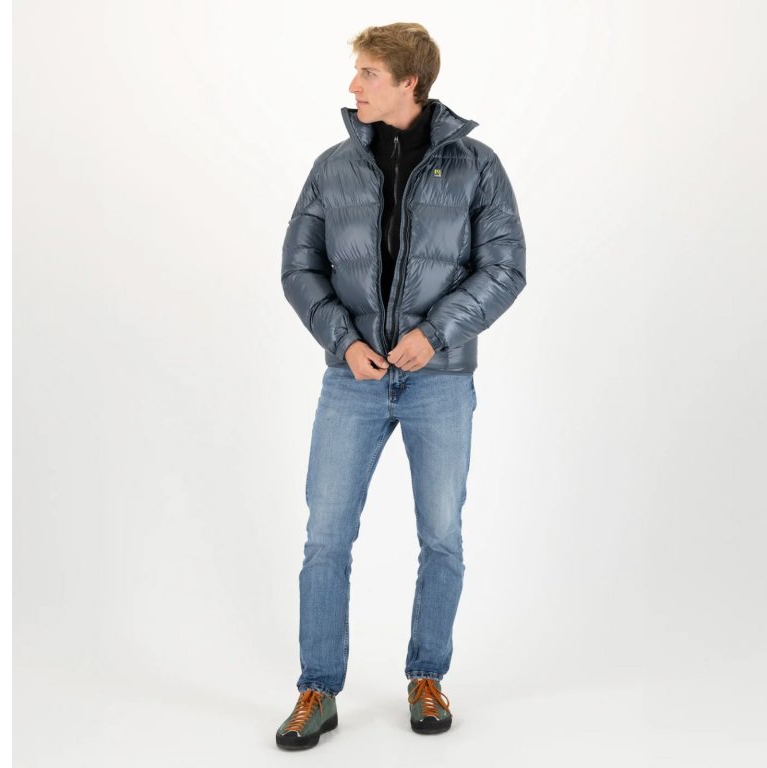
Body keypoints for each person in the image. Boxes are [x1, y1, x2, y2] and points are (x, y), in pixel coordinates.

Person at [275, 22, 526, 750]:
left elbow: (505, 267)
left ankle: (427, 678)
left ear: (408, 81)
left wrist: (434, 334)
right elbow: (299, 267)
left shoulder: (476, 166)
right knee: (326, 538)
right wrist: (344, 342)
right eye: (357, 72)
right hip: (351, 380)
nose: (353, 86)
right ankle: (317, 689)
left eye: (368, 73)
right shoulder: (332, 167)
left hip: (437, 381)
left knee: (441, 537)